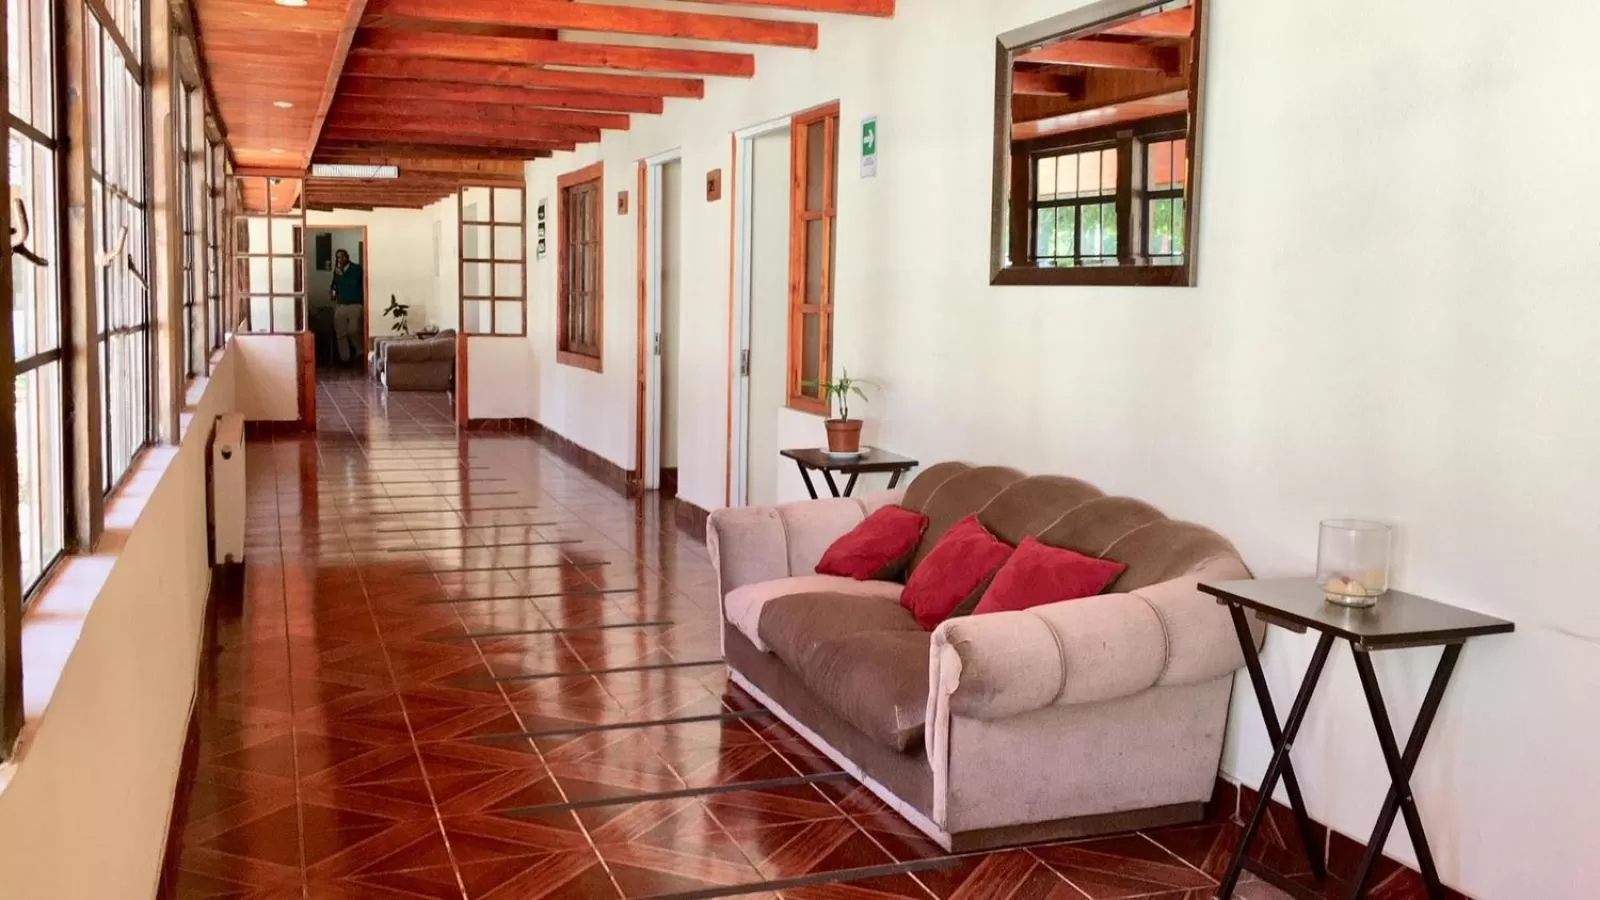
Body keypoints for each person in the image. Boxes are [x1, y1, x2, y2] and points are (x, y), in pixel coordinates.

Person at [331, 249, 365, 367]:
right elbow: (334, 286)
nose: (340, 259)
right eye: (338, 257)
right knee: (340, 331)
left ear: (347, 257)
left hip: (355, 303)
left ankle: (360, 352)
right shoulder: (337, 271)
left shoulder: (357, 269)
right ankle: (344, 358)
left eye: (342, 257)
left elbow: (355, 283)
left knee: (353, 329)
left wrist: (343, 275)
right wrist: (333, 292)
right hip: (341, 304)